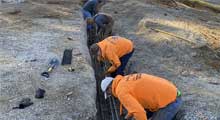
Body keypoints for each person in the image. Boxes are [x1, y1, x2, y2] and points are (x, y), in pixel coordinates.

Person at [101, 73, 182, 120]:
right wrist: (129, 115)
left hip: (170, 102)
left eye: (108, 93)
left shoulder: (121, 92)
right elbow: (134, 102)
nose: (110, 95)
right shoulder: (124, 80)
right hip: (171, 92)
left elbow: (140, 112)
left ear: (109, 88)